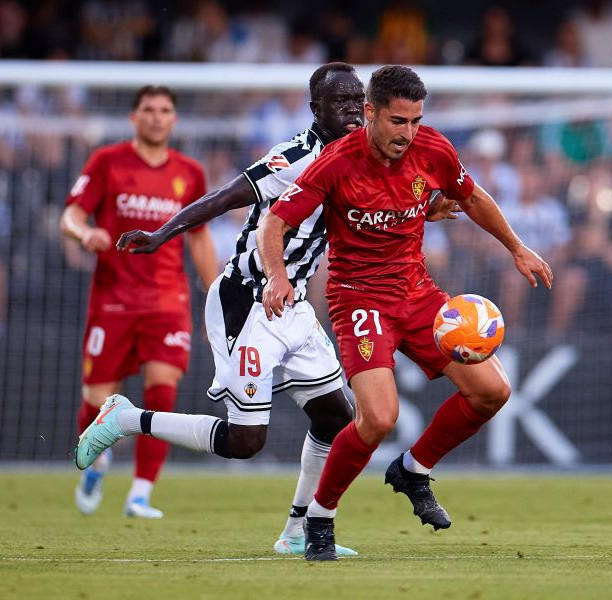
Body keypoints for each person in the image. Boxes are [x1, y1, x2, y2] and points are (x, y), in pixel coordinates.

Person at [74, 62, 456, 555]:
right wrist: (162, 233)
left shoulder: (364, 156)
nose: (349, 111)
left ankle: (297, 532)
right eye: (337, 103)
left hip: (293, 305)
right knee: (245, 441)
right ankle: (126, 418)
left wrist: (430, 206)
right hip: (251, 299)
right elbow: (224, 197)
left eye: (354, 102)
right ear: (314, 109)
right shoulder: (295, 156)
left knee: (337, 419)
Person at [260, 65, 553, 561]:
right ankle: (319, 516)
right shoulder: (335, 162)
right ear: (370, 113)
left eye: (416, 120)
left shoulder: (433, 149)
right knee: (378, 418)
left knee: (493, 392)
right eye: (398, 121)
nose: (408, 133)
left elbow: (473, 197)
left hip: (418, 294)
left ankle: (413, 470)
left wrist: (516, 248)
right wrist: (278, 275)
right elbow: (275, 223)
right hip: (359, 297)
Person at [61, 85, 218, 518]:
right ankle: (99, 463)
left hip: (167, 299)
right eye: (148, 109)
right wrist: (84, 233)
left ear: (174, 120)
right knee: (95, 399)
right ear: (134, 118)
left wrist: (215, 296)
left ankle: (140, 494)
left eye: (165, 110)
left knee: (161, 393)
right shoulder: (107, 162)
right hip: (112, 300)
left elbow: (200, 236)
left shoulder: (189, 172)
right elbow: (71, 214)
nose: (156, 117)